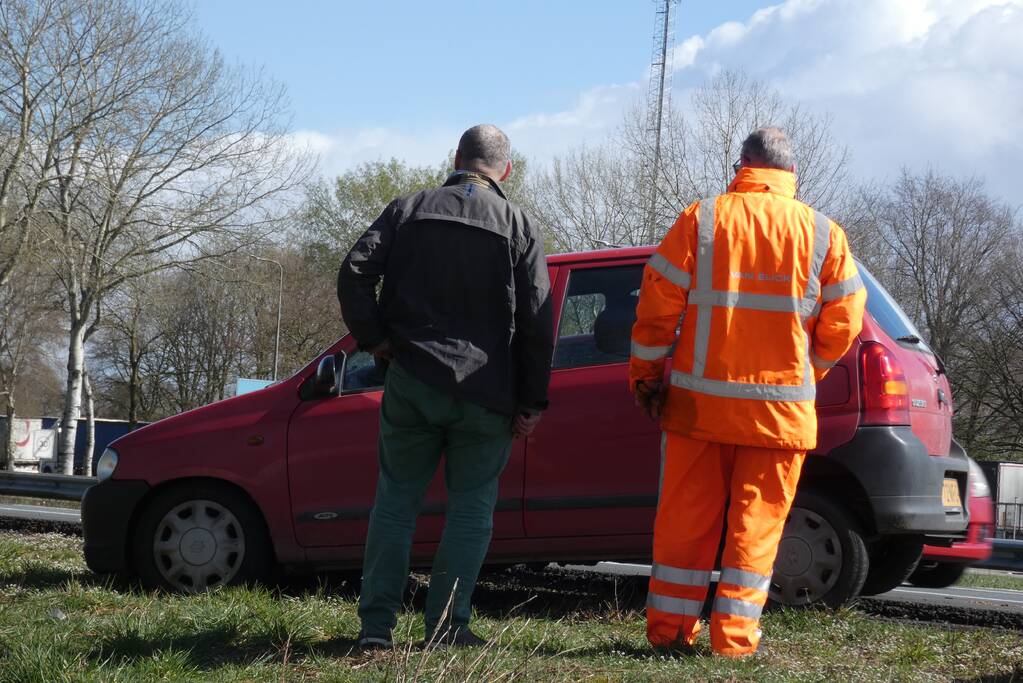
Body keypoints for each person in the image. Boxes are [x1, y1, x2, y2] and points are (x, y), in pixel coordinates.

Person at [629, 127, 866, 657]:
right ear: (791, 175)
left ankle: (669, 633)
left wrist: (645, 376)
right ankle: (734, 642)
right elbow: (846, 320)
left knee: (684, 526)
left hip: (699, 411)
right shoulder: (824, 233)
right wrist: (811, 370)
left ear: (743, 163)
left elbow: (656, 308)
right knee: (755, 532)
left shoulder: (703, 218)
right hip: (778, 418)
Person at [337, 124, 554, 648]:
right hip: (487, 392)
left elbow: (354, 273)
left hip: (413, 379)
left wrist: (378, 340)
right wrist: (531, 401)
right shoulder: (519, 226)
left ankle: (375, 630)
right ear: (505, 170)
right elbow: (537, 323)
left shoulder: (408, 209)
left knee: (394, 504)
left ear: (456, 157)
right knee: (470, 511)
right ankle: (445, 629)